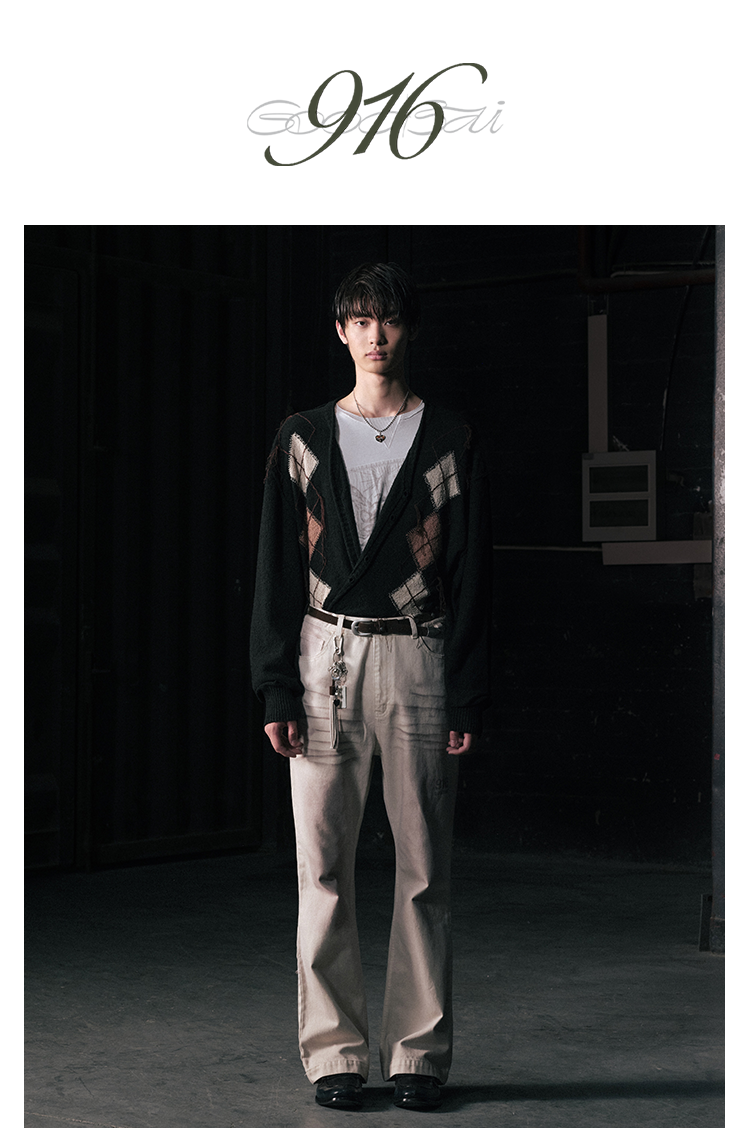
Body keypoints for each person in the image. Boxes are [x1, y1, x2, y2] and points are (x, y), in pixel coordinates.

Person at [250, 261, 491, 1111]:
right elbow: (277, 568)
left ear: (407, 328)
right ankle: (335, 1053)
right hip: (325, 654)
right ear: (341, 332)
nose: (375, 334)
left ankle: (419, 1053)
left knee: (424, 865)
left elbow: (473, 572)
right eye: (360, 319)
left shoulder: (450, 437)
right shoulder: (303, 438)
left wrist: (465, 690)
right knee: (322, 864)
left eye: (387, 319)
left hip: (418, 654)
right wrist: (276, 686)